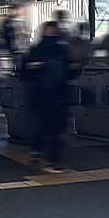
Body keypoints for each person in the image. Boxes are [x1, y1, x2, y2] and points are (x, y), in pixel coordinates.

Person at [22, 21, 78, 172]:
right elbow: (25, 71)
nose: (51, 33)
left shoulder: (40, 50)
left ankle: (41, 155)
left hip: (48, 95)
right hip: (50, 95)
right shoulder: (60, 50)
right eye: (49, 31)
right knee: (52, 129)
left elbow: (24, 72)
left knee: (51, 129)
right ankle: (46, 159)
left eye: (53, 31)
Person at [2, 4, 29, 74]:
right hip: (15, 50)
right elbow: (5, 36)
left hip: (23, 50)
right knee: (18, 69)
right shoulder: (9, 23)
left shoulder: (23, 22)